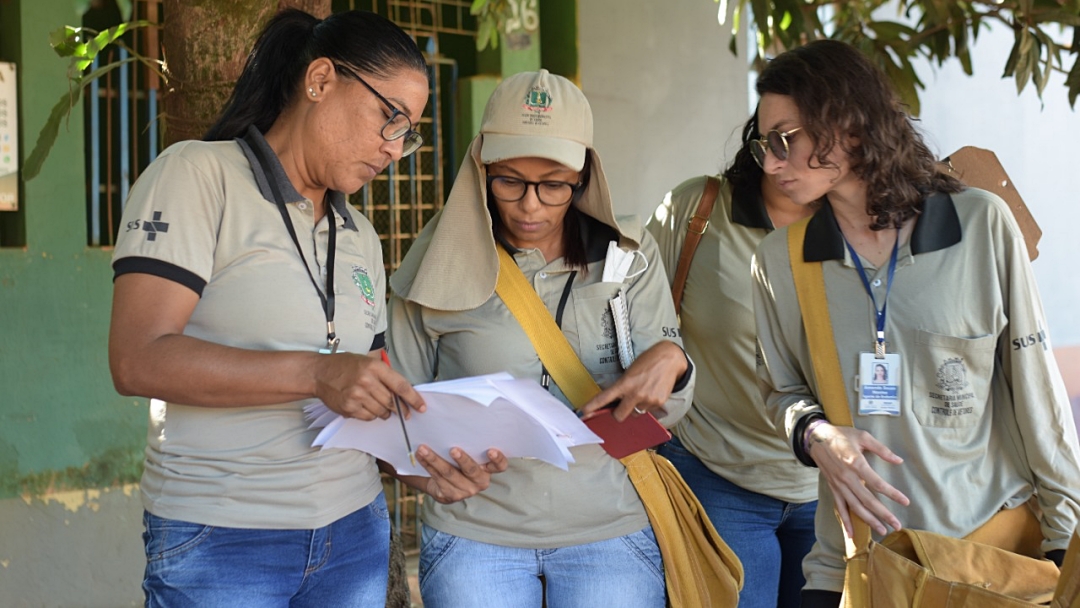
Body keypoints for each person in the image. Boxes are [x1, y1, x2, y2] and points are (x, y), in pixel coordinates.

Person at [108, 9, 506, 606]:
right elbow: (137, 359)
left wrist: (421, 467)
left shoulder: (361, 235)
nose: (395, 150)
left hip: (353, 534)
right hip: (223, 538)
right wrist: (316, 373)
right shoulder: (197, 177)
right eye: (389, 117)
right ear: (319, 81)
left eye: (408, 132)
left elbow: (368, 396)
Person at [749, 40, 1080, 607]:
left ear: (849, 125)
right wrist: (814, 435)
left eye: (786, 139)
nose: (773, 163)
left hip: (986, 559)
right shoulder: (781, 260)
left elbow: (1038, 396)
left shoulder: (980, 224)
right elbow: (780, 391)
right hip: (858, 565)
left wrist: (1064, 543)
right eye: (765, 145)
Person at [387, 69, 695, 608]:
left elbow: (669, 412)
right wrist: (426, 474)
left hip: (609, 528)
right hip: (475, 531)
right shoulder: (434, 262)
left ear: (584, 178)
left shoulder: (629, 254)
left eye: (554, 184)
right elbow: (396, 412)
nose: (530, 206)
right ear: (481, 171)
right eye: (509, 180)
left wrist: (673, 362)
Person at [647, 114, 818, 608]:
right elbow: (636, 313)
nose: (782, 157)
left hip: (832, 484)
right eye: (772, 139)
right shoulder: (699, 209)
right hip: (716, 474)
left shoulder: (864, 221)